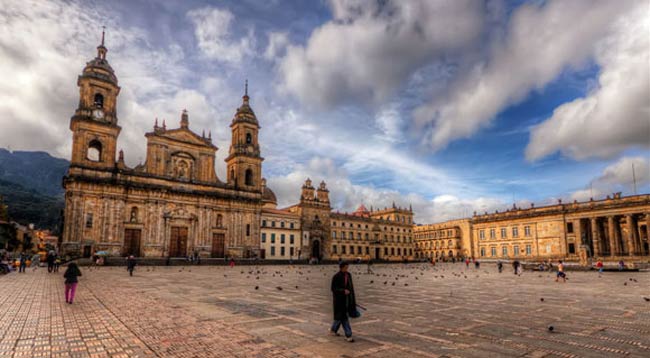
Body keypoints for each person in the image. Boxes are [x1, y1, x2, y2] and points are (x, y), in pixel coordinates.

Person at [329, 262, 357, 342]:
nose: (347, 269)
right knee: (344, 317)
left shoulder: (348, 275)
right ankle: (348, 335)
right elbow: (333, 289)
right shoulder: (336, 276)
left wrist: (352, 299)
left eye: (347, 267)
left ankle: (333, 330)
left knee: (339, 317)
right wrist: (343, 291)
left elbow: (351, 288)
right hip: (339, 300)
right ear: (341, 268)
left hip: (347, 299)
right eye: (345, 267)